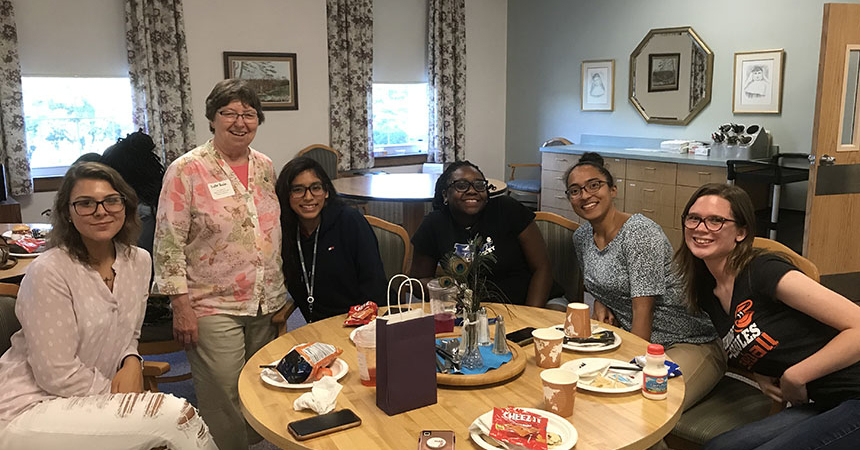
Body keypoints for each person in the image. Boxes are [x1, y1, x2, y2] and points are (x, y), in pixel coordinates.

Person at [0, 162, 216, 450]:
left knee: (170, 426)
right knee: (177, 418)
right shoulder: (49, 271)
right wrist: (122, 400)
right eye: (86, 203)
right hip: (29, 408)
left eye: (111, 200)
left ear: (125, 206)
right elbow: (56, 374)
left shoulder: (139, 260)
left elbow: (129, 336)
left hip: (91, 404)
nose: (101, 211)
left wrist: (131, 361)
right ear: (67, 212)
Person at [675, 183, 860, 450]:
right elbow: (748, 336)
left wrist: (796, 376)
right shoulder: (707, 290)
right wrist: (759, 370)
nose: (701, 228)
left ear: (741, 232)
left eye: (716, 220)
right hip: (824, 402)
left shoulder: (764, 272)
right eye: (694, 218)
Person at [154, 79, 286, 450]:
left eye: (248, 114)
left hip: (265, 297)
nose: (239, 121)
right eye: (229, 113)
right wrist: (180, 306)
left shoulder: (264, 166)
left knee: (261, 383)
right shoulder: (186, 170)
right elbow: (168, 242)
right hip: (213, 302)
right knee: (224, 391)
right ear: (212, 118)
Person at [565, 152, 725, 409]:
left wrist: (629, 368)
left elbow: (644, 309)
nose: (585, 195)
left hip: (687, 341)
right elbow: (599, 283)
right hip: (634, 340)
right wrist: (600, 301)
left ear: (613, 190)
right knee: (584, 391)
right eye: (575, 190)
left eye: (594, 185)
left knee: (644, 405)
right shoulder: (582, 237)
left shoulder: (639, 233)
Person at [410, 161, 560, 306]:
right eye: (461, 186)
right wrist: (443, 289)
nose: (472, 190)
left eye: (479, 185)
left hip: (536, 302)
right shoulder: (434, 224)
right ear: (445, 195)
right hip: (474, 312)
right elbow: (418, 282)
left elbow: (542, 269)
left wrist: (530, 317)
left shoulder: (507, 210)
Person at [276, 157, 387, 322]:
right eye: (298, 190)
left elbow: (374, 284)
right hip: (317, 327)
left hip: (363, 322)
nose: (308, 197)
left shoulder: (350, 221)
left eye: (316, 188)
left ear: (326, 192)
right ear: (287, 195)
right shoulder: (283, 231)